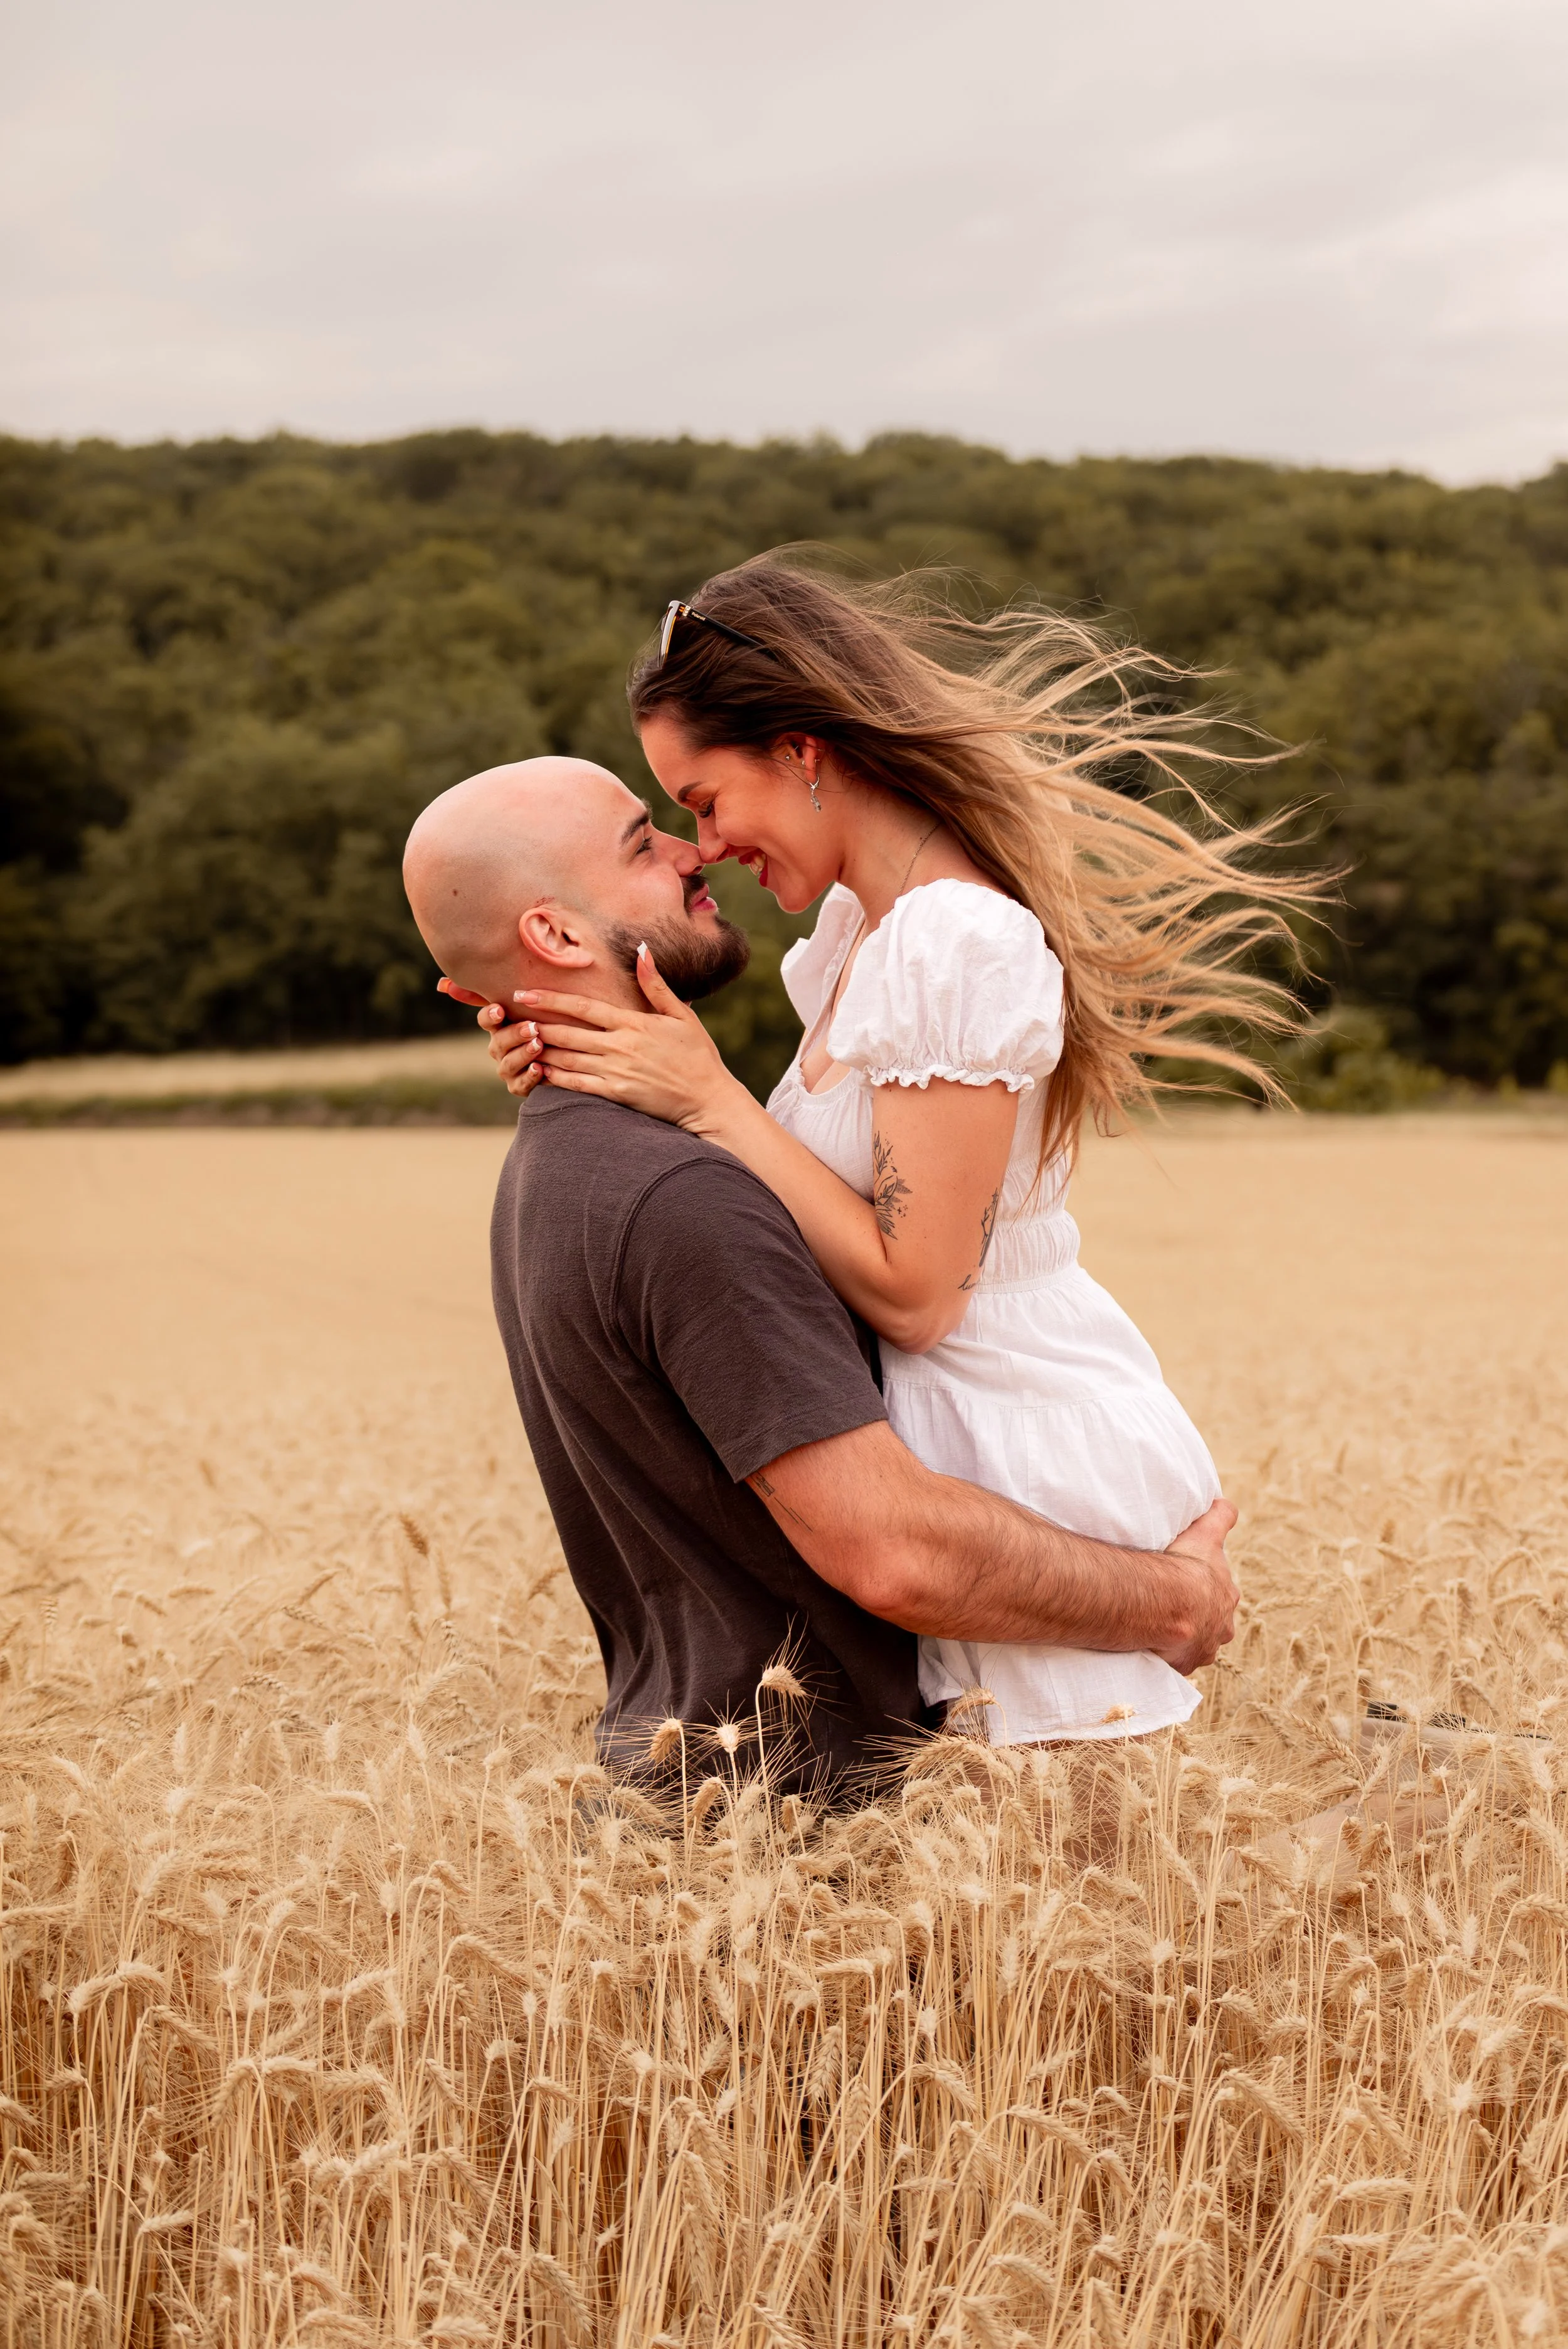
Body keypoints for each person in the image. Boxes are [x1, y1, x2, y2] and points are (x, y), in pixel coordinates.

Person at [473, 561, 1311, 1748]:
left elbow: (919, 1294)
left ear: (803, 753)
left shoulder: (953, 941)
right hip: (947, 1448)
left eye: (705, 799)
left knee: (1080, 1909)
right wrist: (559, 1035)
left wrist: (712, 1098)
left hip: (1010, 1440)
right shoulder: (861, 932)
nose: (703, 844)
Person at [404, 755, 1239, 1790]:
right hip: (825, 1844)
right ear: (558, 934)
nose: (693, 847)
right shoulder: (682, 1199)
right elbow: (894, 1550)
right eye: (646, 840)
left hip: (719, 1809)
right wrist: (1176, 1602)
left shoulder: (558, 1167)